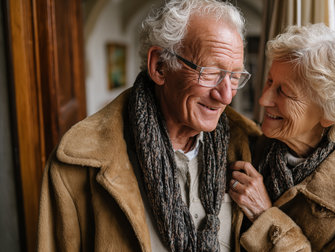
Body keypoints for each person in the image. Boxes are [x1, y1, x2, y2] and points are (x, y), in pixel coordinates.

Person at [37, 0, 261, 251]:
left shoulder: (250, 149)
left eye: (234, 76)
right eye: (209, 72)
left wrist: (266, 215)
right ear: (160, 66)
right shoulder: (78, 164)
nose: (227, 96)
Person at [228, 24, 335, 251]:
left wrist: (265, 217)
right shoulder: (251, 147)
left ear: (331, 113)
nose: (263, 99)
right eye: (270, 81)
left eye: (284, 92)